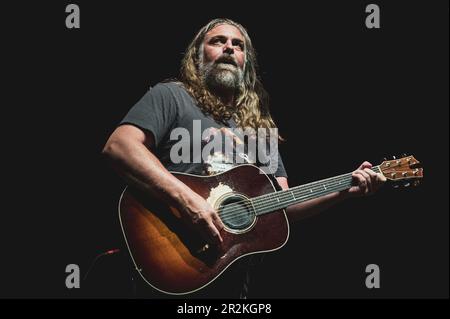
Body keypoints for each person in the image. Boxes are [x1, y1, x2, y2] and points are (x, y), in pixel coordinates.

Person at [102, 18, 386, 298]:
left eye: (238, 45)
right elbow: (120, 147)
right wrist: (189, 202)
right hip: (171, 251)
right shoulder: (171, 96)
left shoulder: (260, 129)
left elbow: (282, 206)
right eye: (218, 41)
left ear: (245, 62)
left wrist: (343, 191)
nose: (228, 48)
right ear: (197, 55)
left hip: (230, 277)